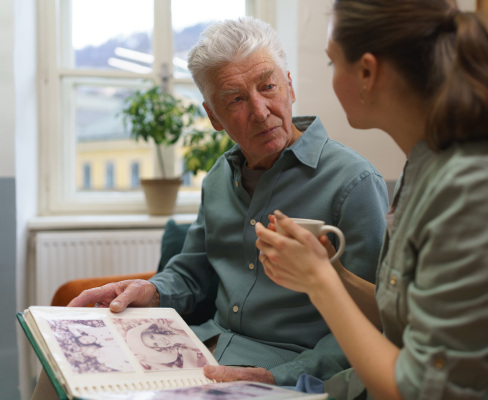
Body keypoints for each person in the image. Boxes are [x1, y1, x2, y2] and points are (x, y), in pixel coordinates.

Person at [255, 1, 488, 399]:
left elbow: (421, 390)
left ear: (368, 72)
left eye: (331, 64)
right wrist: (328, 270)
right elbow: (406, 316)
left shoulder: (476, 187)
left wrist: (319, 283)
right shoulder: (425, 165)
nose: (332, 77)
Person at [64, 16, 388, 387]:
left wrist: (278, 377)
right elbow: (193, 271)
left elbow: (372, 322)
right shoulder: (219, 176)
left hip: (287, 372)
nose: (261, 111)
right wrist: (152, 290)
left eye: (268, 87)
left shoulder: (355, 182)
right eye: (236, 99)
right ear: (213, 116)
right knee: (66, 374)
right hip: (198, 350)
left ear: (290, 87)